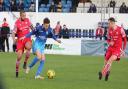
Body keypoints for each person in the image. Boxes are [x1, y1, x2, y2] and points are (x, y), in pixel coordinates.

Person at [12, 10, 33, 78]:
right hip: (20, 41)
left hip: (27, 39)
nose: (25, 16)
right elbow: (13, 33)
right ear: (20, 15)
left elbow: (32, 27)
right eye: (23, 15)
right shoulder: (17, 23)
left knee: (29, 47)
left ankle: (25, 62)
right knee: (19, 57)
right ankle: (17, 71)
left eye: (25, 15)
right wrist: (14, 40)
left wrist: (35, 31)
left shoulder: (27, 20)